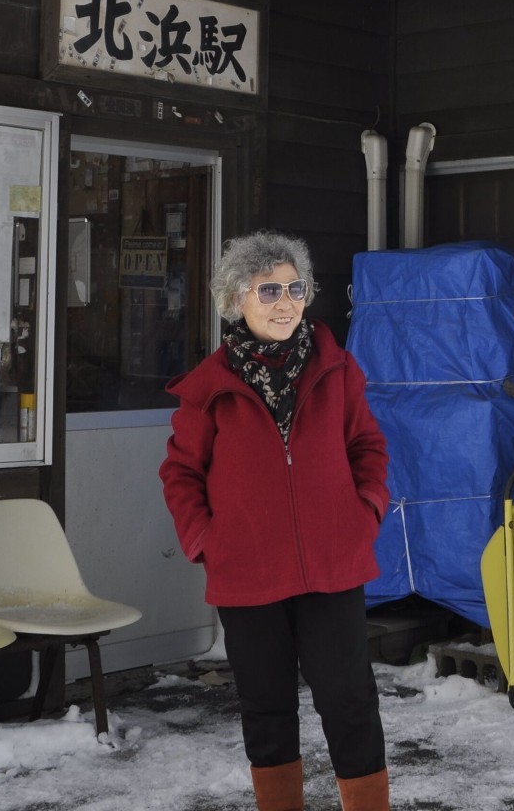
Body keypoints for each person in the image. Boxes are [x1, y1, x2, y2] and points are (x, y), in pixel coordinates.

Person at [159, 232, 390, 811]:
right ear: (237, 299)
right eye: (270, 290)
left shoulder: (337, 370)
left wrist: (365, 512)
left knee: (349, 699)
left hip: (334, 564)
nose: (285, 302)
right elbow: (181, 473)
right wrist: (207, 540)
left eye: (295, 288)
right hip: (248, 573)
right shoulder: (210, 388)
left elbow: (368, 447)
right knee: (266, 706)